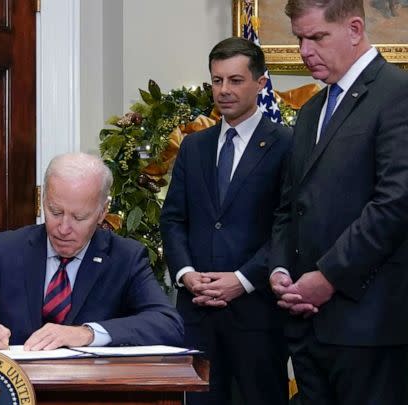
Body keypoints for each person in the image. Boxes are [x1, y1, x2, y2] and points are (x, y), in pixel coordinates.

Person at [269, 1, 408, 404]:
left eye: (317, 37)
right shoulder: (312, 109)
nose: (304, 51)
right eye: (299, 39)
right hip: (308, 325)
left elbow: (395, 203)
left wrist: (328, 277)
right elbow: (289, 205)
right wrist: (280, 267)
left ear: (354, 29)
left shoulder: (396, 94)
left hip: (370, 327)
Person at [0, 152, 183, 350]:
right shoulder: (6, 250)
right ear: (43, 200)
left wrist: (86, 333)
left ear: (102, 213)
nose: (63, 228)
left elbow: (167, 324)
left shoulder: (125, 257)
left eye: (79, 217)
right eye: (55, 212)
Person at [160, 37, 291, 405]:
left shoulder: (286, 144)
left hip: (257, 315)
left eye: (235, 80)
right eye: (217, 81)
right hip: (197, 315)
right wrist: (186, 273)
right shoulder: (193, 146)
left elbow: (289, 226)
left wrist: (243, 280)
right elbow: (173, 219)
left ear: (260, 83)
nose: (224, 91)